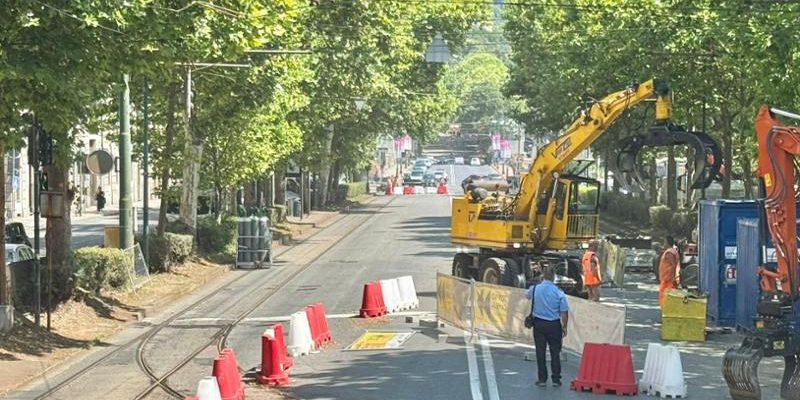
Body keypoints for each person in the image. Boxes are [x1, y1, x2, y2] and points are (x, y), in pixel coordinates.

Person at [526, 267, 570, 387]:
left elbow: (527, 295)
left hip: (539, 324)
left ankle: (542, 379)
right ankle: (556, 379)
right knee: (555, 352)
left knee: (540, 351)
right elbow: (564, 312)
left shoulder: (535, 289)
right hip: (554, 325)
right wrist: (564, 327)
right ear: (554, 278)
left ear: (543, 277)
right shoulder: (559, 292)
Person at [658, 236, 680, 306]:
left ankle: (665, 312)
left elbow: (673, 265)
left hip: (667, 280)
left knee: (665, 299)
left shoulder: (669, 252)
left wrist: (672, 279)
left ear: (667, 243)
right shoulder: (672, 251)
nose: (663, 244)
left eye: (664, 242)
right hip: (667, 279)